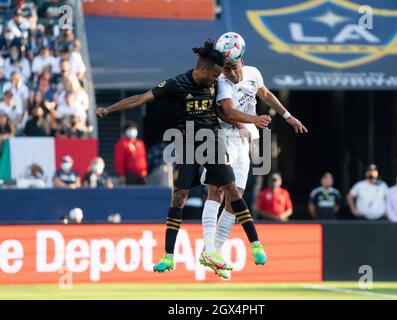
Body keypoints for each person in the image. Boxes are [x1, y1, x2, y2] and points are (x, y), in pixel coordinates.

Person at [96, 39, 271, 274]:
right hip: (187, 144)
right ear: (204, 70)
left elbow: (223, 111)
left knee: (231, 189)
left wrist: (242, 124)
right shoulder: (176, 84)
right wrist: (108, 109)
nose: (217, 80)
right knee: (178, 196)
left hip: (213, 142)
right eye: (215, 76)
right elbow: (140, 98)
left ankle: (255, 244)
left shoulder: (215, 82)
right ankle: (168, 256)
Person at [200, 54, 307, 278]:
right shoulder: (221, 81)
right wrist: (251, 121)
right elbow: (226, 111)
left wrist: (288, 116)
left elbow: (265, 94)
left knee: (236, 195)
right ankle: (209, 247)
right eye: (227, 68)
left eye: (235, 68)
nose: (232, 73)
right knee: (217, 189)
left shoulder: (253, 74)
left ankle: (215, 252)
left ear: (243, 63)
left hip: (244, 140)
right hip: (221, 136)